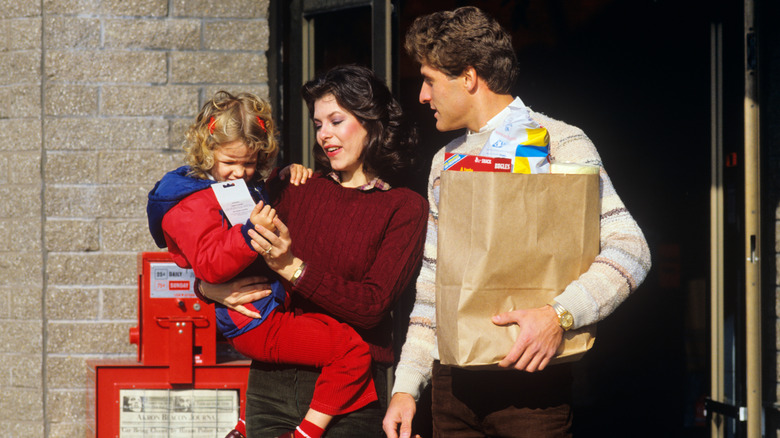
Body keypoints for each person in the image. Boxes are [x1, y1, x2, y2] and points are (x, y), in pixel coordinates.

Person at [383, 6, 652, 438]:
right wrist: (407, 388)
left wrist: (558, 316)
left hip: (532, 391)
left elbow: (631, 250)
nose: (422, 96)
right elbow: (434, 284)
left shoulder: (559, 143)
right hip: (452, 392)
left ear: (468, 77)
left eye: (429, 80)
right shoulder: (444, 162)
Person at [197, 65, 429, 437]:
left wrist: (292, 267)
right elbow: (220, 250)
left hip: (351, 396)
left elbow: (371, 306)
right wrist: (206, 289)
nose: (325, 135)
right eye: (318, 124)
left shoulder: (404, 207)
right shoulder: (292, 187)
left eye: (336, 121)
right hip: (268, 384)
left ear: (372, 122)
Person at [146, 90, 387, 438]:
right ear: (206, 149)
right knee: (351, 352)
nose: (240, 173)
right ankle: (304, 433)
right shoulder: (189, 202)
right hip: (256, 319)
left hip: (264, 308)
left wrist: (285, 174)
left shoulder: (231, 185)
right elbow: (210, 264)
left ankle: (245, 426)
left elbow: (252, 205)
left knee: (336, 339)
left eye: (250, 163)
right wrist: (249, 235)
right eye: (231, 162)